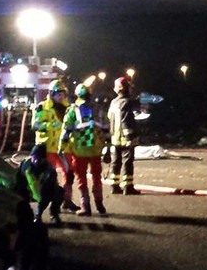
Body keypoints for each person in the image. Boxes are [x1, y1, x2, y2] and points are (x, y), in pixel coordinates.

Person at [59, 83, 107, 217]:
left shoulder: (73, 110)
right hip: (96, 150)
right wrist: (107, 148)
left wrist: (61, 147)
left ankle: (85, 206)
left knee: (81, 178)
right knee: (97, 177)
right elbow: (106, 128)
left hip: (79, 150)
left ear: (77, 95)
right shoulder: (99, 109)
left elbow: (66, 130)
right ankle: (100, 204)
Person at [34, 80, 77, 212]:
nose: (61, 96)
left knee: (69, 174)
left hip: (65, 148)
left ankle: (67, 200)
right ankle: (54, 202)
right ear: (51, 94)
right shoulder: (42, 107)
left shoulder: (69, 108)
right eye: (58, 94)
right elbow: (35, 125)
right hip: (49, 148)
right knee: (50, 177)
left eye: (63, 94)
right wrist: (49, 126)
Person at [107, 76, 140, 195]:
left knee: (115, 163)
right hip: (126, 139)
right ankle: (128, 187)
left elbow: (110, 118)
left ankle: (114, 186)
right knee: (127, 162)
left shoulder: (113, 102)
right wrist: (129, 137)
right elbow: (126, 120)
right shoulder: (128, 102)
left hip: (115, 138)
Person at [15, 144, 62, 225]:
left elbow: (50, 186)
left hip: (42, 191)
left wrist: (39, 212)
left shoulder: (49, 169)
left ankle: (53, 214)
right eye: (34, 158)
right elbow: (18, 180)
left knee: (59, 192)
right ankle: (21, 215)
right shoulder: (25, 165)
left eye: (39, 158)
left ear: (43, 159)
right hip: (27, 190)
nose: (36, 161)